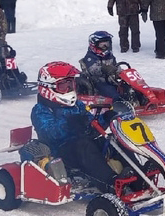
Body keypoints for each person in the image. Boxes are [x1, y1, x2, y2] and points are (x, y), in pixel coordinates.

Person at [30, 61, 123, 192]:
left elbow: (92, 125)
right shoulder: (41, 110)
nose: (69, 89)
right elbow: (49, 133)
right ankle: (111, 183)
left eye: (70, 84)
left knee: (113, 141)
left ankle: (139, 176)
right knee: (83, 145)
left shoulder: (77, 105)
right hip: (60, 153)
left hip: (83, 145)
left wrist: (106, 118)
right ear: (47, 88)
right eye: (63, 86)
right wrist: (70, 123)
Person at [79, 31, 121, 100]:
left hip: (110, 80)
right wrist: (103, 69)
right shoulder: (90, 57)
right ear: (94, 45)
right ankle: (119, 108)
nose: (105, 46)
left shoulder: (109, 56)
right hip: (97, 82)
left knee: (128, 87)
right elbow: (92, 70)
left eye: (107, 44)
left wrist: (120, 72)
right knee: (114, 94)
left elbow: (115, 66)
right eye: (102, 45)